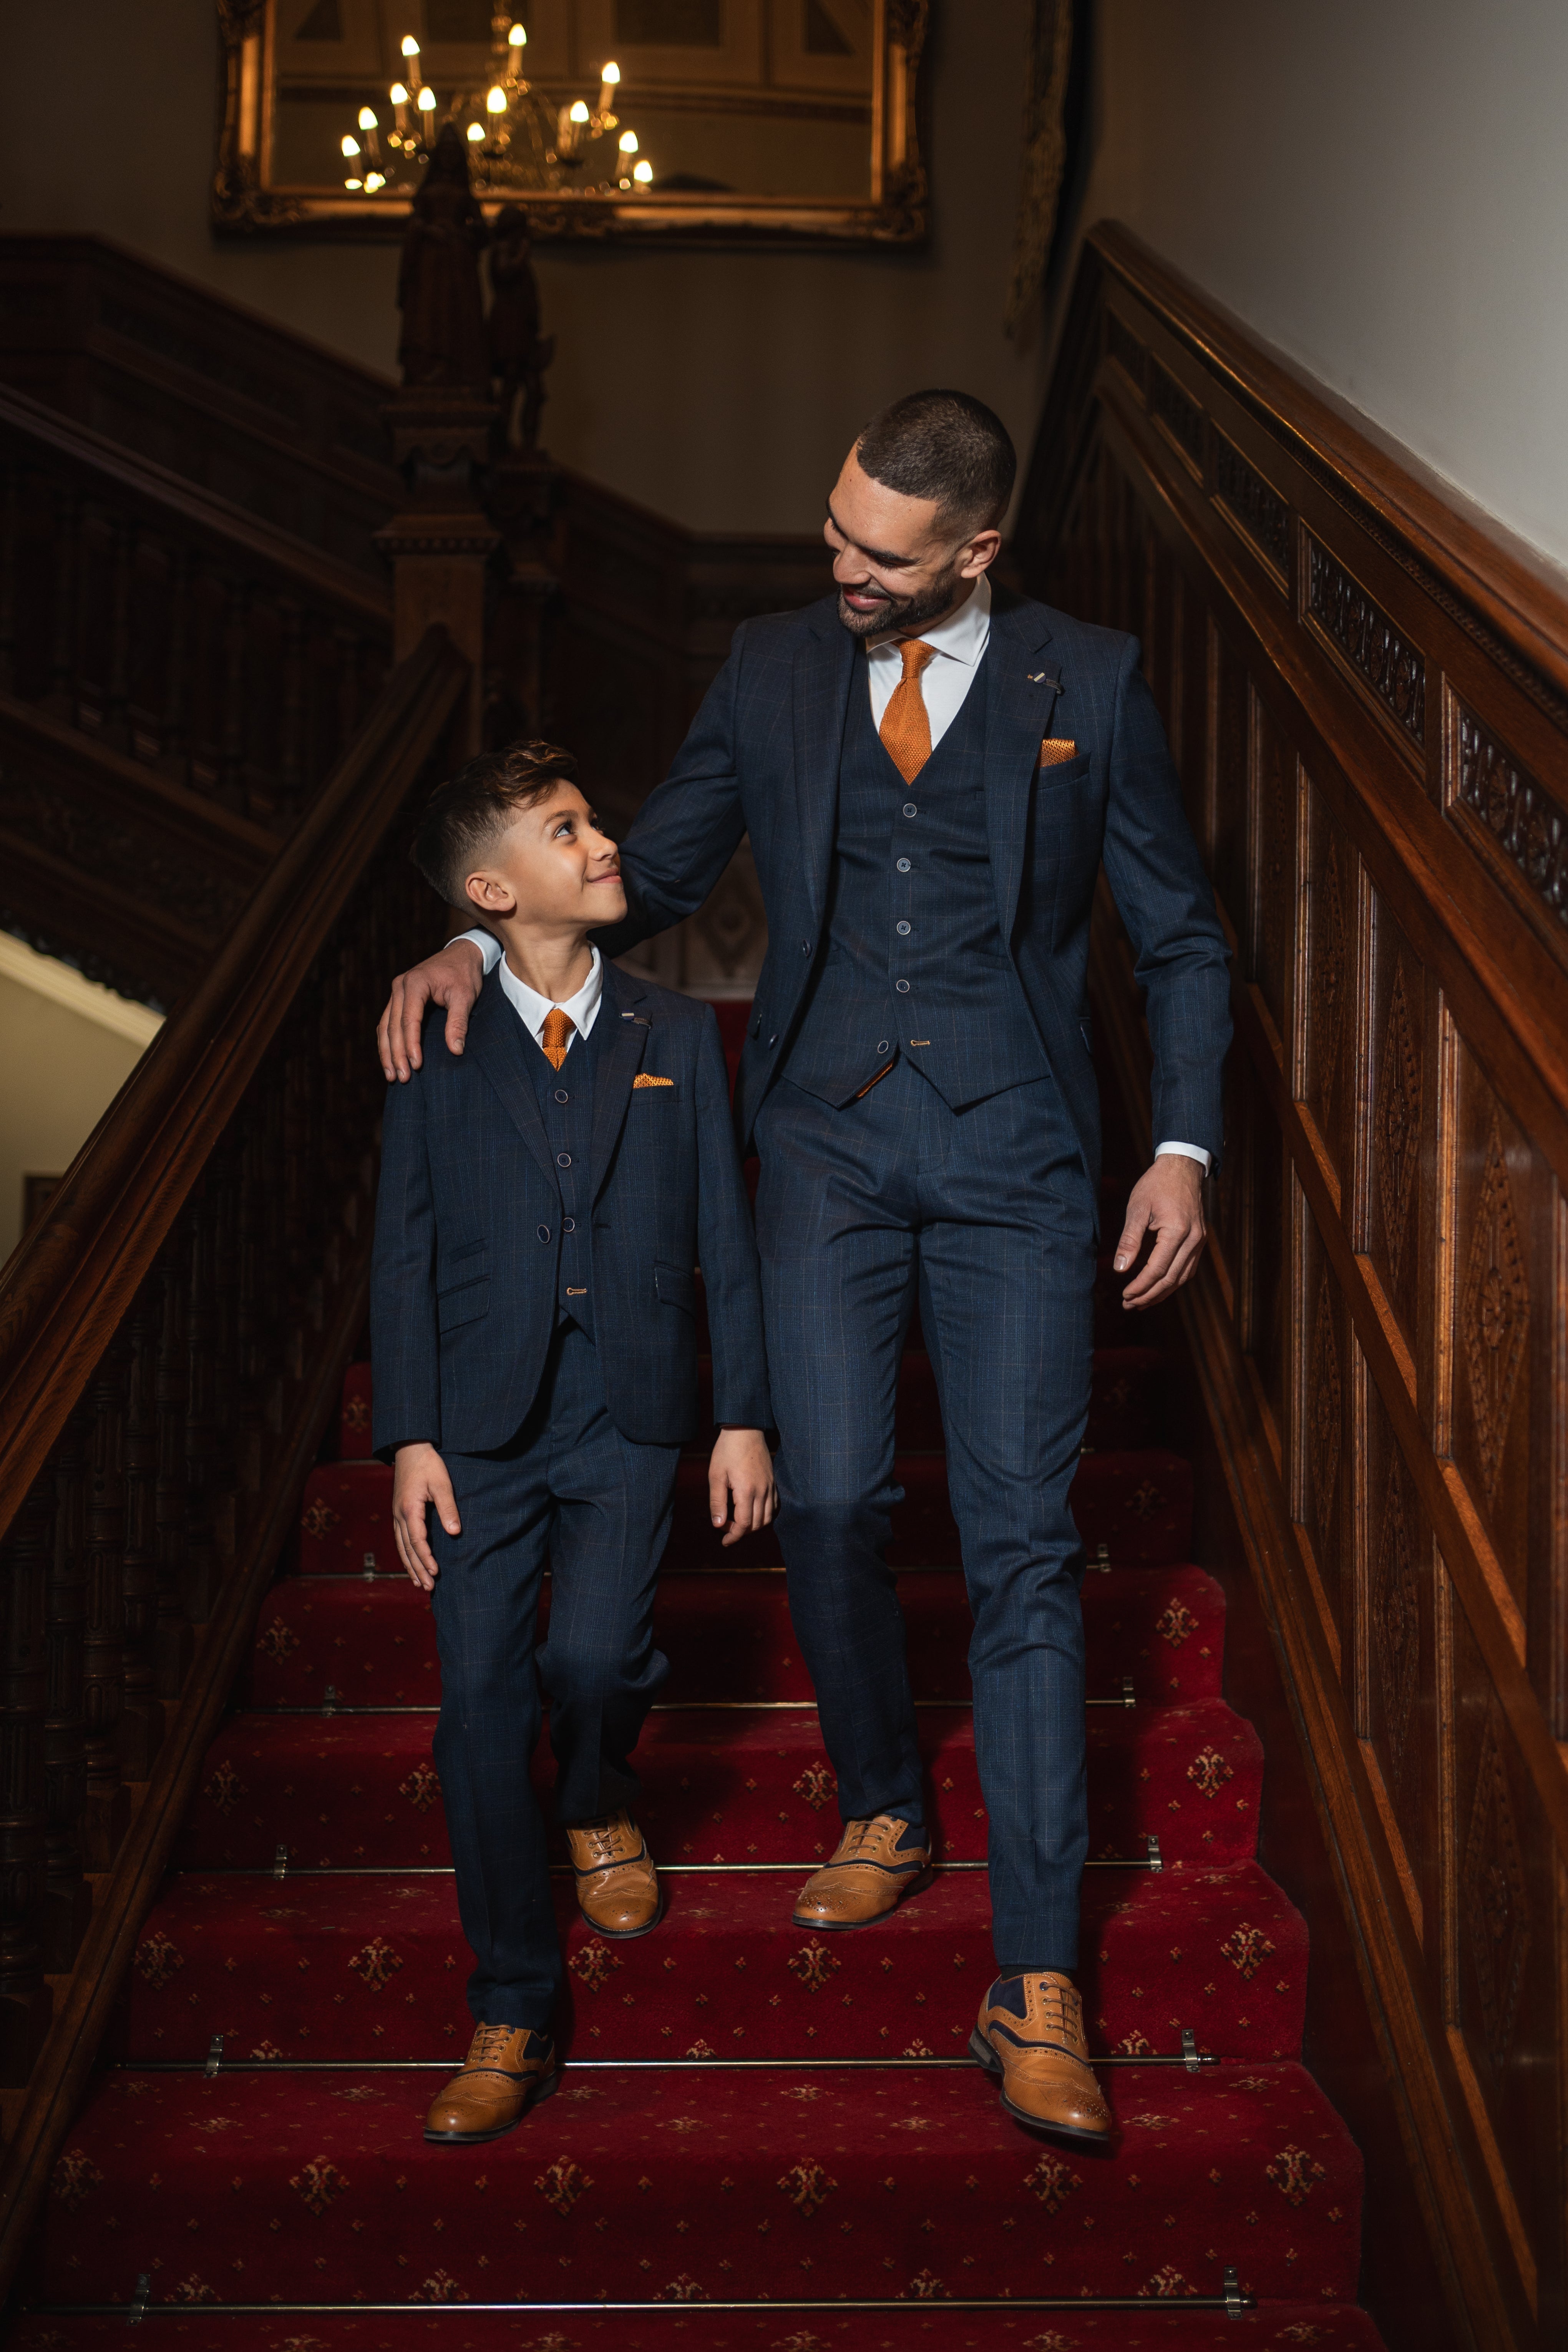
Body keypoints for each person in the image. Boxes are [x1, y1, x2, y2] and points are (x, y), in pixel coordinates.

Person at [376, 393, 1231, 2148]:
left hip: (1022, 1159)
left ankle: (1039, 1970)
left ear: (975, 552)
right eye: (833, 528)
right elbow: (649, 865)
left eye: (877, 551)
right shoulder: (771, 665)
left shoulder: (1093, 678)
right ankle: (884, 1800)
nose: (835, 563)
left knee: (1020, 1545)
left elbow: (1180, 932)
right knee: (833, 1504)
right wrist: (476, 934)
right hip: (827, 1145)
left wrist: (1182, 1145)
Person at [371, 740, 775, 2146]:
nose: (606, 842)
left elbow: (728, 1228)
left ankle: (600, 1786)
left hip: (632, 1404)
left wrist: (741, 1412)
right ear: (493, 888)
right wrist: (409, 1434)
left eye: (594, 819)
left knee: (595, 1659)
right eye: (567, 828)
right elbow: (403, 1244)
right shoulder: (440, 1028)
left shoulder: (672, 1031)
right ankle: (512, 1998)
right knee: (478, 1711)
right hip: (479, 1425)